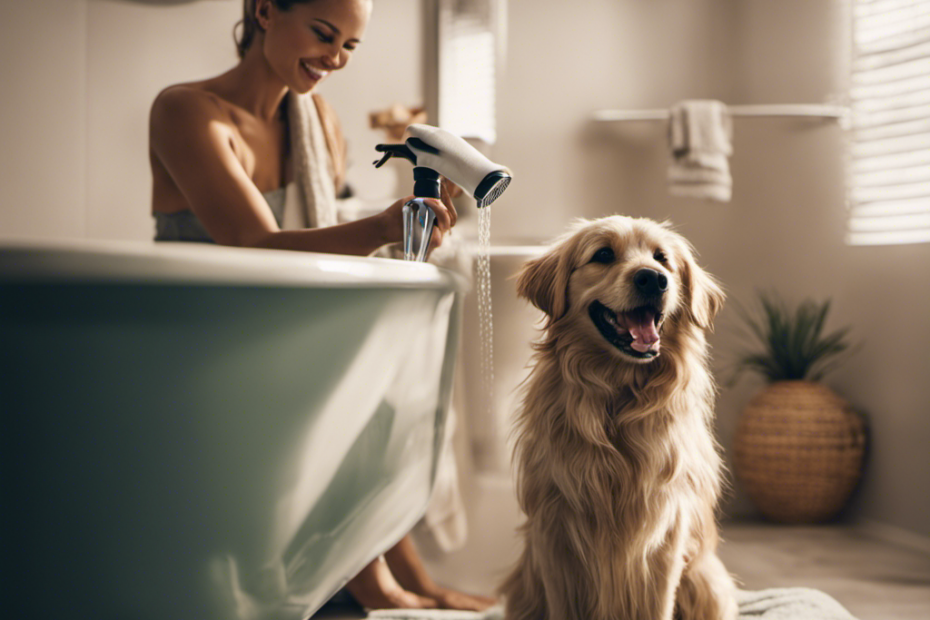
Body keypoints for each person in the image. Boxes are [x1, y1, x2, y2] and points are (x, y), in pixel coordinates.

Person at [148, 0, 494, 611]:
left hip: (281, 331)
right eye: (323, 34)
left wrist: (410, 227)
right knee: (347, 389)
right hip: (201, 340)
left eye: (349, 48)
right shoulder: (187, 111)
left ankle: (409, 580)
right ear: (264, 11)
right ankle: (379, 585)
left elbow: (327, 227)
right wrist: (384, 226)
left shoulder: (319, 124)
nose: (334, 59)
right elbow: (254, 247)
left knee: (389, 381)